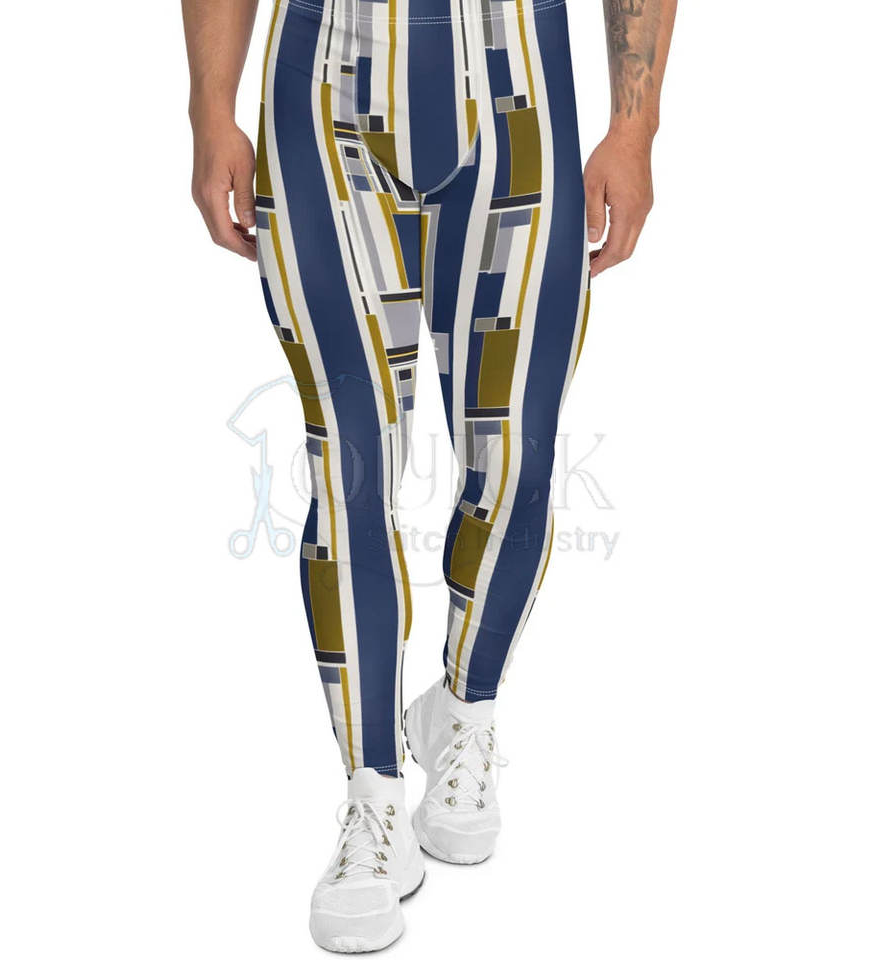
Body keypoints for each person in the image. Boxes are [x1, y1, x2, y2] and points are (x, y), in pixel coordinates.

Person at [183, 0, 676, 950]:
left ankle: (464, 703)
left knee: (518, 452)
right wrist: (210, 107)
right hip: (324, 83)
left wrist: (634, 126)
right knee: (350, 458)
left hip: (514, 87)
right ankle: (371, 796)